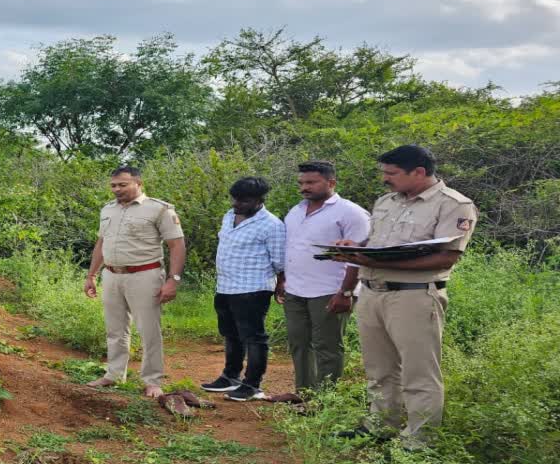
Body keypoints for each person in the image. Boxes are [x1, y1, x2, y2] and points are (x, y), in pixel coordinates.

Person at [331, 145, 477, 448]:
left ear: (419, 172)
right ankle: (380, 426)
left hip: (413, 297)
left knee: (418, 372)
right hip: (373, 293)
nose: (385, 179)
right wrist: (356, 248)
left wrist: (375, 262)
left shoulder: (454, 205)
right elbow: (380, 242)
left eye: (392, 173)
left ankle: (419, 443)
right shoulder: (387, 201)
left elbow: (445, 259)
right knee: (379, 368)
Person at [84, 166, 186, 399]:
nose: (117, 189)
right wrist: (91, 275)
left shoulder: (159, 209)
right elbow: (101, 243)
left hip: (145, 275)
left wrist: (173, 280)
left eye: (123, 184)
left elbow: (177, 245)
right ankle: (113, 374)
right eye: (113, 185)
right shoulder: (107, 210)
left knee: (148, 330)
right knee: (115, 329)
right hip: (111, 275)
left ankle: (152, 380)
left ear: (138, 183)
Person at [277, 162, 370, 393]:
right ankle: (304, 393)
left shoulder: (351, 213)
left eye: (311, 182)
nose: (304, 188)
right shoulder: (296, 210)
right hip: (296, 290)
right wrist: (282, 281)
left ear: (331, 183)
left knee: (326, 346)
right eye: (301, 183)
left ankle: (324, 399)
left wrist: (346, 292)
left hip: (330, 290)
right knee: (299, 343)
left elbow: (357, 257)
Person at [201, 177, 285, 401]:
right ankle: (230, 377)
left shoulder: (272, 225)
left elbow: (280, 261)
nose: (237, 204)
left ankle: (252, 384)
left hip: (253, 288)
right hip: (226, 286)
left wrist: (281, 284)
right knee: (230, 334)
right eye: (235, 199)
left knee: (253, 337)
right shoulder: (229, 217)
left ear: (259, 200)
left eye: (244, 201)